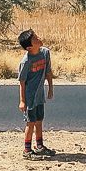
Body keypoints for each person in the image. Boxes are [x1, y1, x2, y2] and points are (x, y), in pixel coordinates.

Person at [17, 28, 55, 160]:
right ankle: (27, 150)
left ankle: (39, 146)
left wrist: (50, 88)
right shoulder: (26, 61)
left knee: (39, 121)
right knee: (30, 123)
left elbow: (48, 72)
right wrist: (22, 100)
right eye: (35, 39)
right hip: (30, 97)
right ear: (29, 47)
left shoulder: (45, 53)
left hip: (40, 95)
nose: (38, 39)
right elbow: (22, 81)